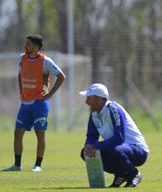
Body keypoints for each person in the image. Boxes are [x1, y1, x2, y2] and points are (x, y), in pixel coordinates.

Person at [3, 34, 66, 172]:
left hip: (39, 103)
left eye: (29, 44)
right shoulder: (22, 58)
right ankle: (17, 165)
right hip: (25, 103)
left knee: (40, 133)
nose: (26, 46)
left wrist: (49, 94)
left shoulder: (46, 61)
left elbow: (61, 76)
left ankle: (38, 165)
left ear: (36, 47)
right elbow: (19, 75)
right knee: (18, 133)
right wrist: (21, 92)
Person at [79, 83, 149, 187]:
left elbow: (119, 138)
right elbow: (92, 136)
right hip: (117, 149)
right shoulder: (94, 114)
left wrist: (96, 145)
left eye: (89, 98)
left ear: (99, 99)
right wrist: (88, 146)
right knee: (85, 153)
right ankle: (121, 174)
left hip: (138, 150)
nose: (86, 102)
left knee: (114, 149)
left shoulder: (113, 109)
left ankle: (134, 174)